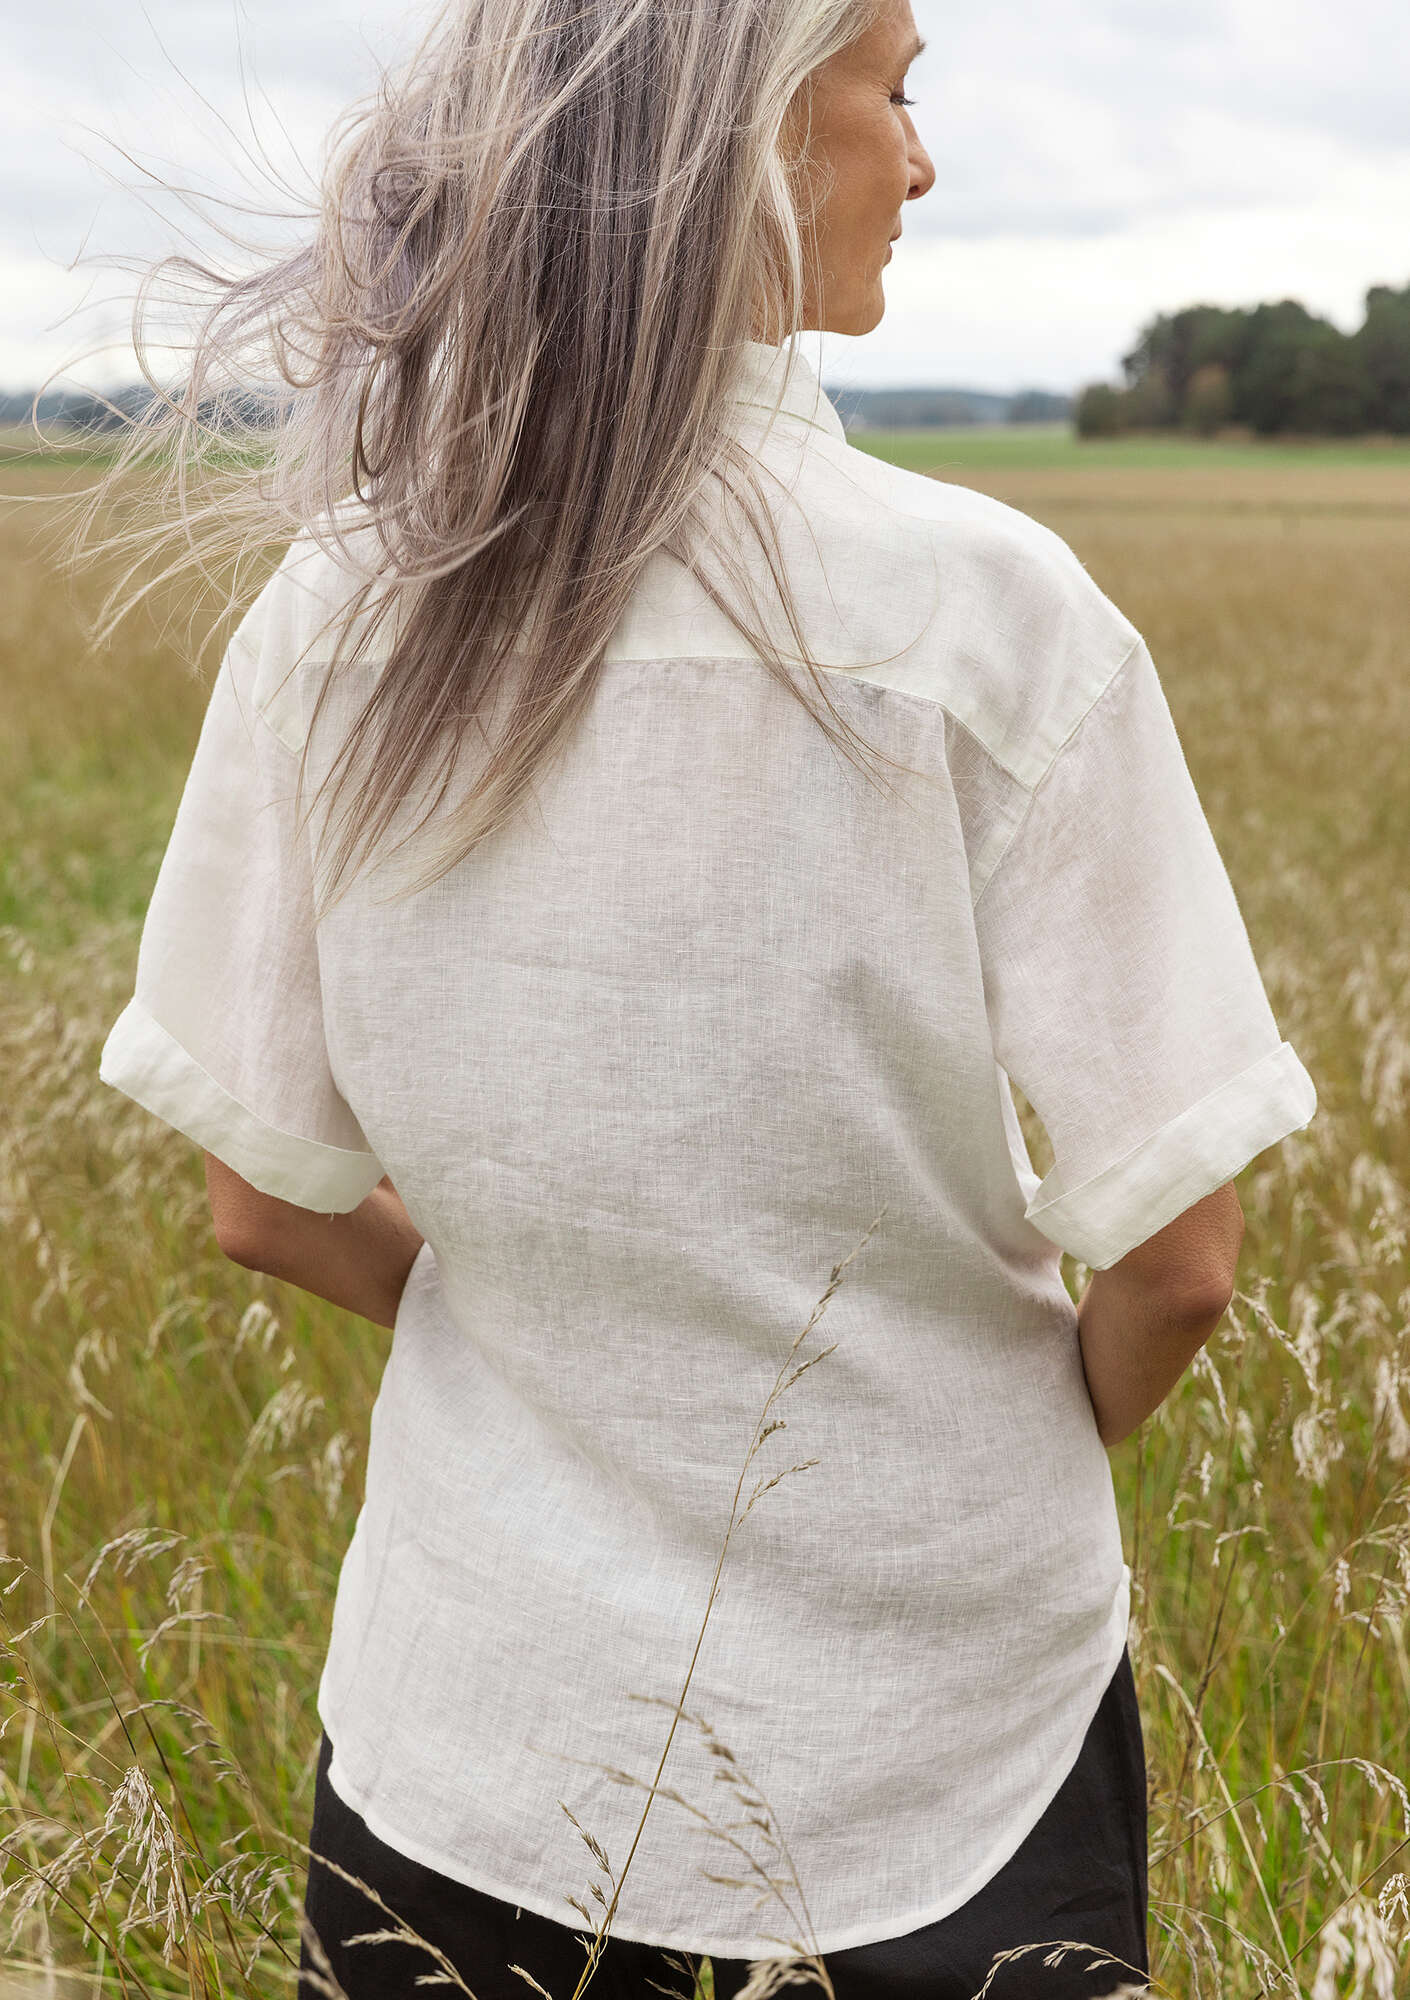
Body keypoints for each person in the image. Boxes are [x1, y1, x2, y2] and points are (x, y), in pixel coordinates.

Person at [94, 0, 1318, 1991]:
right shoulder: (989, 613)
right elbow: (1178, 1265)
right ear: (746, 132)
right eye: (893, 87)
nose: (921, 158)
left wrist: (554, 1334)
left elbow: (262, 1200)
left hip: (466, 1742)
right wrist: (980, 1451)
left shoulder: (333, 613)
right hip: (950, 1752)